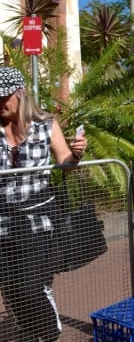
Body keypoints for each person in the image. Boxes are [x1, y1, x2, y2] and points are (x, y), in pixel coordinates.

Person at [0, 66, 87, 342]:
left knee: (29, 286)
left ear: (19, 94)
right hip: (2, 221)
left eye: (4, 96)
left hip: (37, 221)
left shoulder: (46, 126)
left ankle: (49, 330)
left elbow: (66, 164)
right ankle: (30, 329)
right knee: (10, 287)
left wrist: (76, 155)